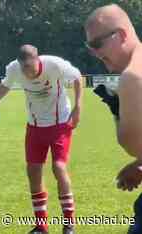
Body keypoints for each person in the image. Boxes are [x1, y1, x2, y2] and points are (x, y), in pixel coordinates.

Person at [0, 44, 82, 234]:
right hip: (34, 126)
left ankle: (69, 225)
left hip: (60, 122)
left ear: (38, 60)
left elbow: (77, 77)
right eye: (24, 70)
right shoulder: (14, 69)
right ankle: (41, 227)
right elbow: (5, 85)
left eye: (31, 69)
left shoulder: (55, 65)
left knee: (58, 167)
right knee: (33, 171)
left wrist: (77, 107)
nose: (28, 74)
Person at [85, 4, 142, 234]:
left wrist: (118, 113)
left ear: (121, 35)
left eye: (97, 44)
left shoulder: (132, 76)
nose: (96, 53)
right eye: (89, 47)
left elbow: (133, 144)